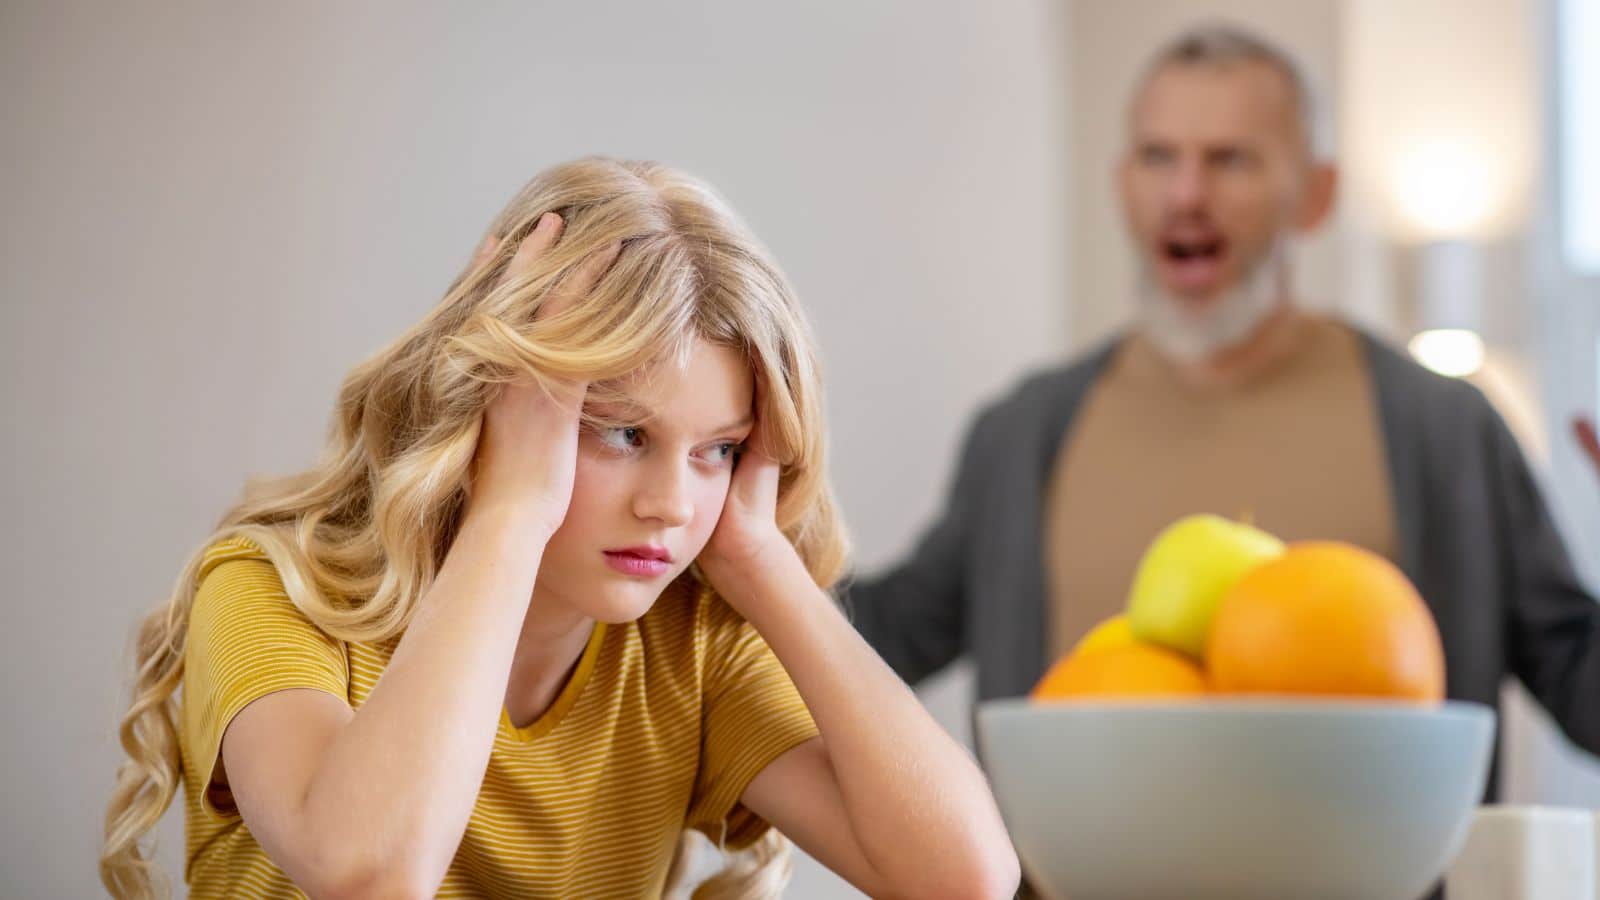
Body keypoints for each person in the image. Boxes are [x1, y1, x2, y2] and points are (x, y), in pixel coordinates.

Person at [100, 158, 1019, 900]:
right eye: (623, 432)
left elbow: (966, 879)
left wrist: (759, 557)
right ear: (497, 400)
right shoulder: (275, 590)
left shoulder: (687, 647)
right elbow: (370, 874)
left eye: (719, 450)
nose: (671, 503)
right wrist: (510, 508)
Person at [848, 24, 1600, 797]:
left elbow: (1584, 688)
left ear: (1316, 194)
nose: (1186, 195)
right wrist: (737, 514)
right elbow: (874, 642)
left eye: (1230, 160)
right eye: (1158, 157)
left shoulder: (1447, 430)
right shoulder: (1021, 434)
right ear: (1122, 183)